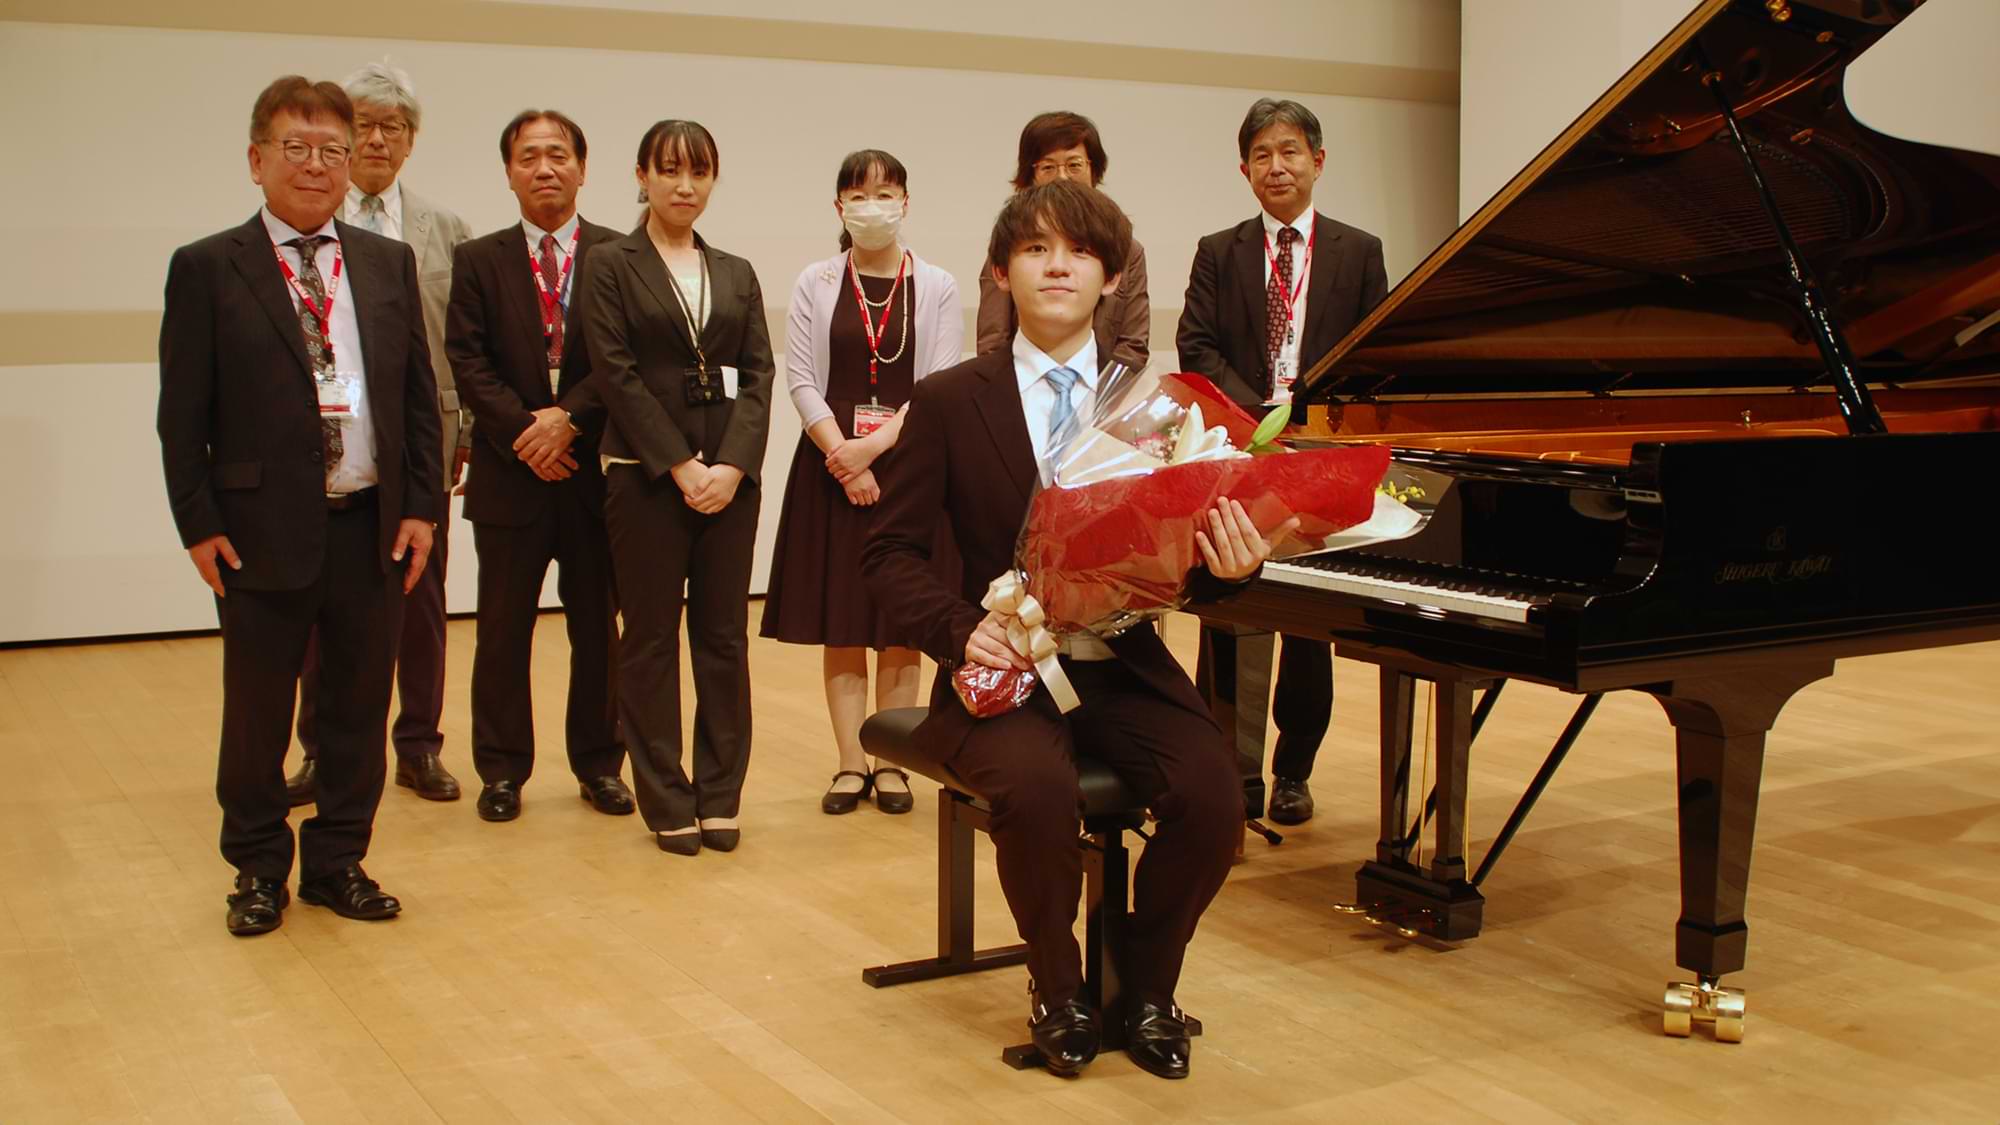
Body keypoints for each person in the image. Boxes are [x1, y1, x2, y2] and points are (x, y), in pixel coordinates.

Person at [863, 180, 1290, 1079]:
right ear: (1001, 271)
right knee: (1035, 790)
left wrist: (1234, 564)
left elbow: (1192, 566)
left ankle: (1144, 981)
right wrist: (957, 629)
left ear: (1110, 276)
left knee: (1216, 798)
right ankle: (1057, 984)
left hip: (1123, 666)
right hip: (1006, 667)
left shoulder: (1159, 409)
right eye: (1036, 249)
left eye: (1081, 252)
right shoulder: (948, 399)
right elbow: (889, 555)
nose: (1059, 265)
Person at [158, 75, 442, 935]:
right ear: (257, 160)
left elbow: (416, 400)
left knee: (357, 704)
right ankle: (254, 866)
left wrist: (421, 505)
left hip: (370, 525)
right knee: (257, 713)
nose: (316, 165)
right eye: (296, 148)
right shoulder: (210, 266)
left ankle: (337, 860)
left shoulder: (386, 262)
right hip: (255, 531)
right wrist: (198, 521)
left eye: (332, 149)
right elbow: (182, 414)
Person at [1175, 97, 1388, 825]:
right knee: (1232, 609)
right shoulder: (1218, 249)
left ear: (1318, 162)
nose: (1277, 166)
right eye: (1262, 154)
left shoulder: (1359, 251)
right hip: (1239, 452)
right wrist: (1257, 419)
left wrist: (1307, 419)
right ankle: (1232, 774)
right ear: (1244, 169)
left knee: (1308, 621)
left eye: (1290, 151)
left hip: (1321, 455)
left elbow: (1369, 357)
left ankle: (1294, 767)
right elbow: (1196, 347)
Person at [286, 62, 473, 805]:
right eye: (360, 125)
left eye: (390, 127)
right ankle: (319, 748)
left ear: (410, 141)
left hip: (421, 436)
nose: (375, 139)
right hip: (324, 438)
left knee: (422, 596)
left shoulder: (445, 228)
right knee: (316, 598)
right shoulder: (312, 217)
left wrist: (464, 434)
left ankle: (419, 744)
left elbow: (462, 342)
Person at [586, 120, 774, 856]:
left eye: (698, 171)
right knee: (652, 641)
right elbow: (614, 373)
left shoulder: (735, 270)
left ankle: (720, 792)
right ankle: (665, 794)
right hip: (646, 479)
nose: (684, 185)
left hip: (731, 480)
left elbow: (757, 377)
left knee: (724, 639)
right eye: (669, 170)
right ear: (643, 174)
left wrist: (729, 465)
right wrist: (679, 463)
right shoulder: (610, 263)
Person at [760, 150, 962, 817]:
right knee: (842, 620)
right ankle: (851, 763)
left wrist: (870, 451)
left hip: (912, 467)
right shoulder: (817, 281)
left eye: (885, 192)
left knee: (902, 619)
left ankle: (893, 763)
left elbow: (936, 385)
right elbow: (799, 380)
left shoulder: (936, 284)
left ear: (906, 201)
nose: (871, 204)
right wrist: (841, 455)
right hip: (829, 468)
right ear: (839, 207)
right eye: (857, 193)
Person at [447, 109, 631, 823]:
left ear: (583, 168)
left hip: (592, 477)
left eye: (558, 154)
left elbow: (623, 359)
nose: (545, 167)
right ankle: (501, 769)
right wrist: (526, 432)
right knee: (501, 631)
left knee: (597, 630)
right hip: (508, 476)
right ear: (509, 172)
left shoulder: (620, 254)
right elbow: (466, 359)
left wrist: (566, 421)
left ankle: (599, 763)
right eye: (529, 156)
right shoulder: (478, 259)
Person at [974, 111, 1150, 372]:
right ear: (1030, 175)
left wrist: (1097, 395)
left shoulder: (1125, 248)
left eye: (1074, 165)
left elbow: (1133, 345)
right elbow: (993, 339)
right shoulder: (1013, 243)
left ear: (1093, 169)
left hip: (1104, 396)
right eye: (1048, 167)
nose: (1062, 177)